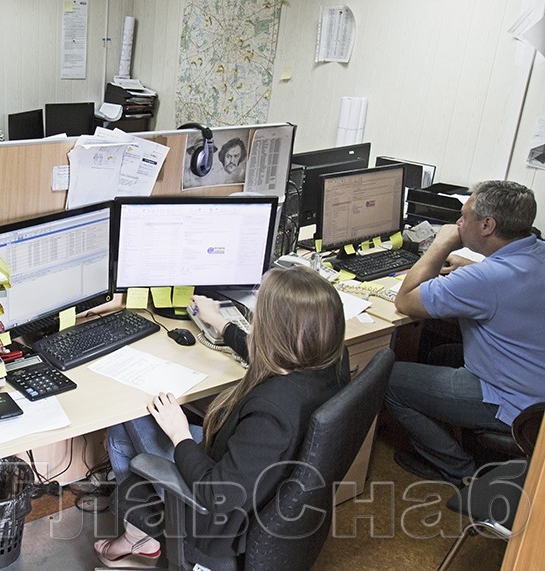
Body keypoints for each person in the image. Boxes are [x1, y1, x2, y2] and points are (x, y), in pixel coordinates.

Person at [96, 266, 347, 569]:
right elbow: (279, 354)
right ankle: (140, 537)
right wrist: (221, 324)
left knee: (132, 415)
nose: (253, 320)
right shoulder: (331, 361)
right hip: (260, 483)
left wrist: (179, 434)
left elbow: (216, 494)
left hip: (218, 522)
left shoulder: (271, 412)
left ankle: (145, 537)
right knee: (120, 429)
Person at [386, 180, 545, 486]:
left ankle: (461, 470)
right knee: (440, 354)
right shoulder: (537, 252)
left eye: (464, 216)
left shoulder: (486, 279)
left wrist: (441, 244)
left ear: (487, 225)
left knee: (386, 379)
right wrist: (468, 266)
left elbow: (405, 301)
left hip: (515, 403)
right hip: (536, 385)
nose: (458, 223)